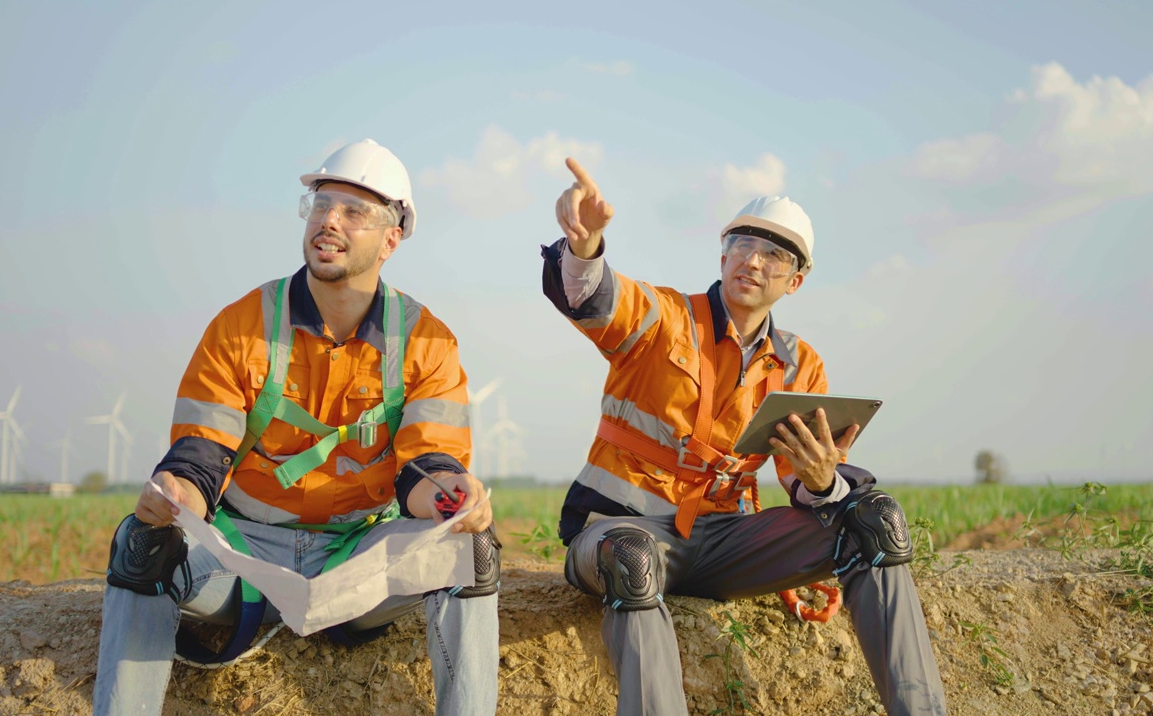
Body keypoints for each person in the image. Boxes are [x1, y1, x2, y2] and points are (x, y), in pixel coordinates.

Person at [94, 139, 500, 716]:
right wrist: (175, 495)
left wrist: (451, 498)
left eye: (353, 211)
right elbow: (199, 454)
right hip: (240, 555)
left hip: (356, 557)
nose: (329, 220)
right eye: (320, 203)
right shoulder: (241, 326)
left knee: (471, 550)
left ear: (392, 238)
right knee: (140, 546)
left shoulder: (426, 342)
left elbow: (427, 464)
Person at [541, 158, 947, 715]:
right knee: (632, 558)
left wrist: (823, 480)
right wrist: (585, 247)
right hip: (621, 530)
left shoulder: (801, 365)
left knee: (872, 519)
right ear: (723, 253)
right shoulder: (663, 317)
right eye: (742, 243)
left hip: (724, 540)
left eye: (774, 254)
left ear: (795, 280)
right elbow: (594, 298)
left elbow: (799, 486)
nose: (754, 260)